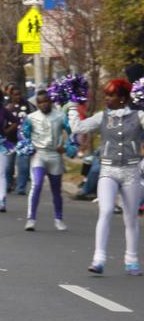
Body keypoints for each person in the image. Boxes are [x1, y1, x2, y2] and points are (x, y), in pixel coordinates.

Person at [68, 78, 144, 275]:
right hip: (108, 171)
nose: (107, 99)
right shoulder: (102, 117)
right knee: (106, 210)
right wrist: (73, 105)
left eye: (111, 95)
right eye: (106, 95)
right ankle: (99, 258)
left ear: (123, 98)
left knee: (131, 217)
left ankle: (132, 259)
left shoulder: (139, 116)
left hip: (131, 171)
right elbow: (78, 127)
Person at [23, 91, 69, 232]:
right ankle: (31, 219)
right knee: (36, 185)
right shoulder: (31, 118)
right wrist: (28, 147)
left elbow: (72, 132)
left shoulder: (60, 116)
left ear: (50, 102)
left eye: (46, 101)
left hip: (55, 155)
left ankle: (58, 219)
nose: (43, 104)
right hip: (39, 155)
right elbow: (24, 135)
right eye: (40, 102)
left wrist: (66, 146)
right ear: (37, 104)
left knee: (56, 190)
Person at [7, 84, 35, 195]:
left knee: (23, 165)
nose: (17, 97)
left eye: (19, 94)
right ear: (11, 95)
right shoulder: (6, 105)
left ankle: (21, 188)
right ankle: (8, 184)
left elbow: (34, 118)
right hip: (10, 139)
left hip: (23, 140)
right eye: (15, 95)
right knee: (8, 165)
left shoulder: (28, 105)